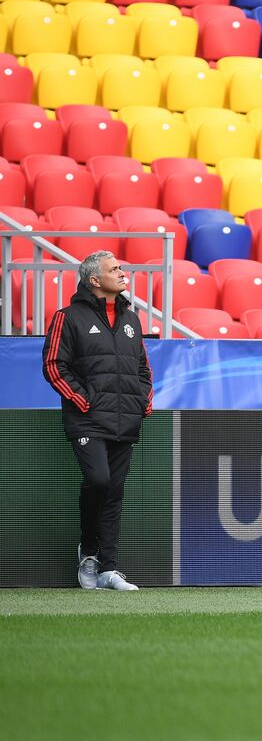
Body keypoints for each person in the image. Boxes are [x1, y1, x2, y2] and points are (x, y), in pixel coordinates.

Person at [41, 250, 152, 591]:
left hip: (125, 420)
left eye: (120, 267)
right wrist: (83, 400)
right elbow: (53, 366)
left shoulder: (131, 319)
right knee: (99, 481)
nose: (122, 273)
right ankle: (88, 551)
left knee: (115, 492)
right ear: (94, 280)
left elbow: (142, 368)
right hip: (88, 420)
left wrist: (142, 400)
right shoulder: (67, 317)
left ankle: (109, 568)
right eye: (114, 269)